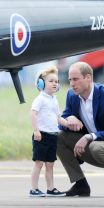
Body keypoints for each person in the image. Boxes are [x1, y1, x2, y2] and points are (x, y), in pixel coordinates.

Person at [57, 61, 104, 197]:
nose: (72, 84)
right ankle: (81, 185)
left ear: (88, 78)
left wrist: (89, 136)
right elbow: (61, 124)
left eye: (75, 79)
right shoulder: (71, 95)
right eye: (70, 80)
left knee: (96, 147)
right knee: (58, 136)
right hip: (92, 147)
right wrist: (69, 120)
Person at [29, 66, 68, 197]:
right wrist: (36, 131)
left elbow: (57, 117)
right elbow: (33, 114)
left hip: (52, 135)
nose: (54, 83)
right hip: (41, 135)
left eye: (56, 81)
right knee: (39, 163)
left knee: (50, 164)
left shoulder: (54, 99)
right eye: (51, 81)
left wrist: (68, 124)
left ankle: (50, 189)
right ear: (41, 83)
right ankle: (33, 189)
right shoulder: (40, 99)